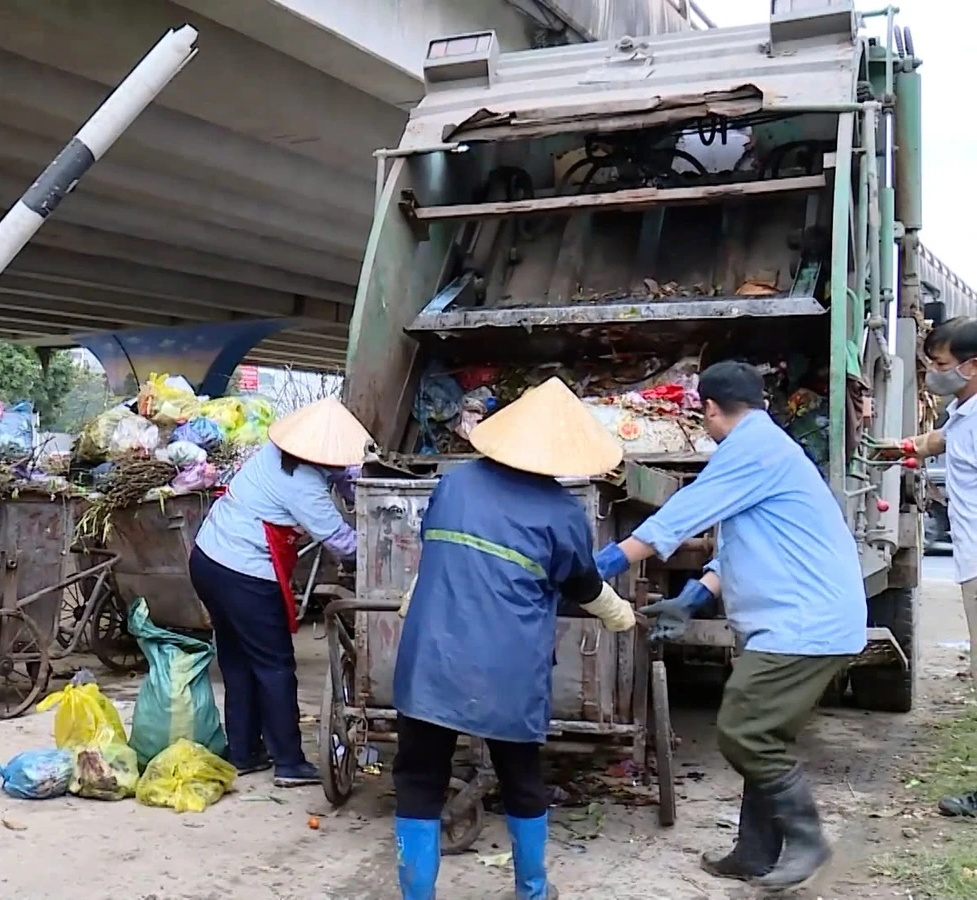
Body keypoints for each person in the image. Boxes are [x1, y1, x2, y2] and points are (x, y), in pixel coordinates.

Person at [592, 360, 866, 890]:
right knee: (766, 735)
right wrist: (693, 597)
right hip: (802, 620)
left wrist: (595, 568)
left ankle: (808, 839)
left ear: (710, 410)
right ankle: (756, 854)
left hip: (804, 625)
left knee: (744, 730)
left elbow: (676, 518)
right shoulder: (771, 447)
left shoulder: (750, 451)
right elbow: (742, 546)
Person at [391, 378, 637, 900]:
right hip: (507, 672)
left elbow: (437, 550)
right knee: (522, 779)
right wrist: (621, 616)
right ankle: (532, 890)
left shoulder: (453, 485)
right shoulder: (562, 512)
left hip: (429, 663)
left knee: (418, 781)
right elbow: (584, 584)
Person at [189, 396, 370, 787]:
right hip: (242, 571)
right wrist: (380, 547)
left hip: (208, 558)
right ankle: (289, 762)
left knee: (238, 661)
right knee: (274, 666)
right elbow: (340, 541)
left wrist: (364, 493)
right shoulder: (301, 484)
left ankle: (245, 752)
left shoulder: (278, 453)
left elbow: (345, 477)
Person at [881, 316, 977, 818]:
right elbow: (946, 439)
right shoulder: (965, 412)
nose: (934, 374)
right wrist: (907, 446)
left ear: (972, 365)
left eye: (940, 365)